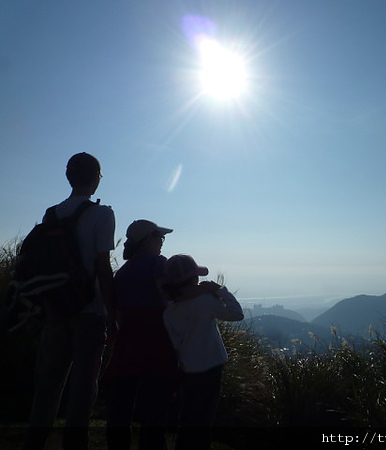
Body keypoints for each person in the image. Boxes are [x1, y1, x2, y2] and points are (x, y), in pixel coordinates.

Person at [24, 152, 116, 450]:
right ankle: (75, 443)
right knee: (83, 386)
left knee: (48, 383)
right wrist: (112, 312)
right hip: (88, 310)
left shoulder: (52, 213)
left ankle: (34, 441)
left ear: (69, 177)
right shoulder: (103, 214)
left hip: (55, 309)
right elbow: (103, 266)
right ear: (96, 177)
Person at [103, 219, 179, 450]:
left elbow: (118, 313)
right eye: (159, 237)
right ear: (147, 239)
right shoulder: (158, 263)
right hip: (157, 340)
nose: (162, 242)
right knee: (155, 407)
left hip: (128, 341)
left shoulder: (122, 272)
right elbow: (168, 299)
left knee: (122, 404)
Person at [162, 254, 244, 450]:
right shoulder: (205, 301)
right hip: (211, 366)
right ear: (193, 280)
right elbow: (236, 314)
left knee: (189, 415)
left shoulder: (169, 311)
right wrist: (220, 290)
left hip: (187, 368)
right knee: (204, 418)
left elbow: (175, 345)